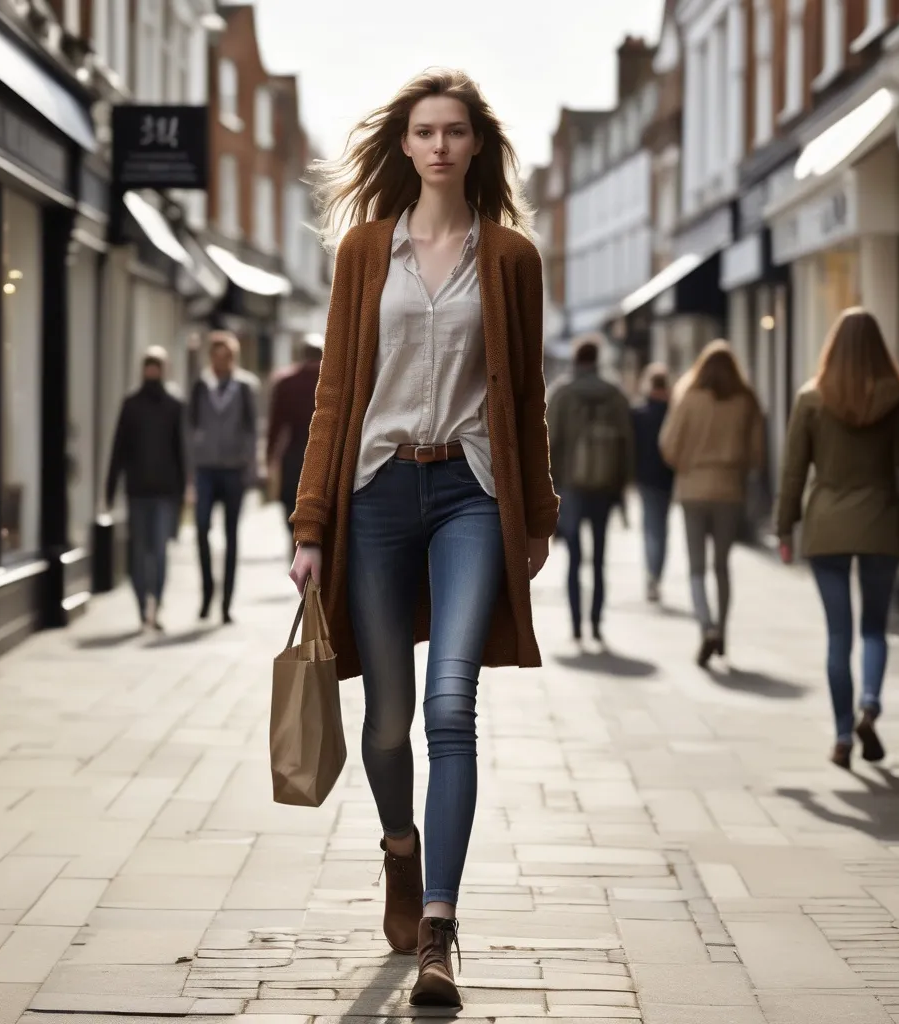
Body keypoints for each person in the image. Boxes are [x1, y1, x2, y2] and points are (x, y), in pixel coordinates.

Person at [286, 69, 557, 1008]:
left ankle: (438, 928)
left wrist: (540, 512)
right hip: (379, 495)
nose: (439, 145)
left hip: (474, 494)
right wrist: (311, 524)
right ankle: (400, 848)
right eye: (423, 131)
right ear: (404, 146)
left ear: (476, 145)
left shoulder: (512, 259)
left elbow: (525, 394)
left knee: (452, 708)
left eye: (454, 131)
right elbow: (333, 396)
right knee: (388, 722)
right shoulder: (365, 252)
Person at [776, 308, 899, 770]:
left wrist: (783, 527)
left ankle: (844, 734)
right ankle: (870, 702)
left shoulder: (811, 398)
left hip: (827, 523)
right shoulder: (897, 397)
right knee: (874, 627)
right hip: (881, 521)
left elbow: (793, 472)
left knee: (838, 634)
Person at [660, 340, 764, 667]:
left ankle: (705, 626)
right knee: (722, 566)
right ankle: (722, 630)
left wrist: (687, 464)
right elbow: (758, 451)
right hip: (730, 490)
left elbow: (668, 444)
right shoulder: (746, 401)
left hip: (692, 488)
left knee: (696, 567)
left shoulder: (687, 397)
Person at [547, 335, 633, 647]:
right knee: (599, 558)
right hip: (605, 486)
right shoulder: (615, 395)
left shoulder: (562, 394)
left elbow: (549, 443)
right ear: (597, 358)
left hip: (571, 487)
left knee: (573, 558)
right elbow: (627, 444)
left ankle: (576, 625)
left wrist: (550, 488)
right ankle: (596, 622)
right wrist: (622, 487)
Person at [105, 347, 186, 631]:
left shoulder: (175, 405)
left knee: (160, 550)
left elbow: (181, 451)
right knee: (139, 552)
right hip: (137, 490)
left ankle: (156, 603)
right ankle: (142, 608)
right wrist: (110, 486)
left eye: (157, 366)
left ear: (164, 369)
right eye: (148, 365)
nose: (152, 371)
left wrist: (183, 491)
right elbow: (119, 446)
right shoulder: (131, 404)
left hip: (165, 491)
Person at [189, 331, 258, 624]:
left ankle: (226, 604)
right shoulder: (200, 387)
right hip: (205, 469)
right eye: (216, 357)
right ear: (210, 358)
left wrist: (251, 469)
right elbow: (189, 427)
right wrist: (189, 473)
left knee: (231, 536)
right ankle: (207, 591)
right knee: (201, 528)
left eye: (226, 357)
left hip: (234, 470)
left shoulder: (245, 387)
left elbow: (253, 430)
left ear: (233, 358)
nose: (221, 363)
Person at [266, 334, 324, 552]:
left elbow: (275, 425)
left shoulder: (286, 382)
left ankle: (297, 547)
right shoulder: (331, 380)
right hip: (324, 455)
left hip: (294, 455)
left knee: (292, 505)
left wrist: (269, 458)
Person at [632, 363, 675, 603]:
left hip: (645, 478)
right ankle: (655, 576)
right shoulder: (673, 412)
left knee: (650, 528)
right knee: (661, 529)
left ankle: (652, 576)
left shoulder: (638, 413)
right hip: (666, 478)